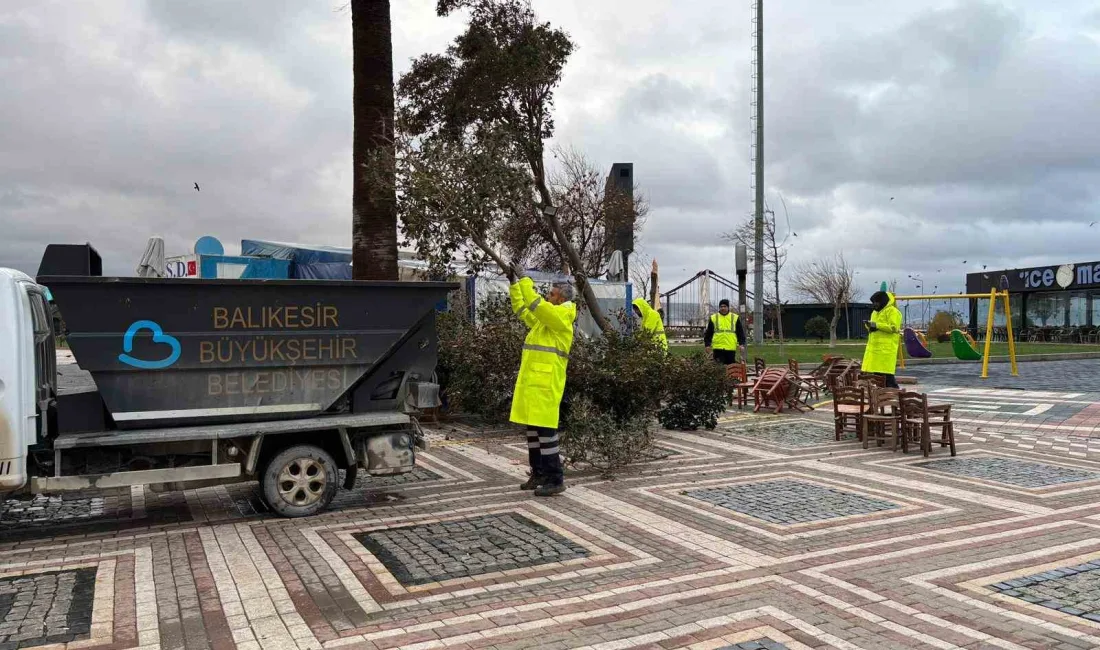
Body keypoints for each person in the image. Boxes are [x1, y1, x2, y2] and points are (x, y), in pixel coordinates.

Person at [507, 263, 577, 497]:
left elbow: (537, 306)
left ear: (561, 298)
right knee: (534, 433)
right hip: (534, 385)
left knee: (547, 434)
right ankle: (538, 473)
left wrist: (525, 280)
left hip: (546, 386)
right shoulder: (545, 322)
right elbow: (522, 309)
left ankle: (555, 478)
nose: (547, 297)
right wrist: (514, 284)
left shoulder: (562, 316)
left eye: (551, 294)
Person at [862, 290, 902, 388]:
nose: (874, 305)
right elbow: (873, 326)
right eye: (873, 303)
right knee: (877, 376)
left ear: (883, 301)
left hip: (886, 350)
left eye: (876, 302)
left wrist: (876, 325)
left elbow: (894, 327)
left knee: (887, 376)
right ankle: (883, 396)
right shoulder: (874, 313)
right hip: (875, 349)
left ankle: (895, 396)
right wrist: (869, 326)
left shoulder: (893, 311)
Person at [704, 299, 747, 364]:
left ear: (728, 307)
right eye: (721, 306)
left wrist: (741, 344)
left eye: (725, 306)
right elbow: (709, 333)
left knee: (730, 368)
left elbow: (740, 332)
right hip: (718, 348)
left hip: (730, 347)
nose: (723, 308)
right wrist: (707, 345)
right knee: (719, 369)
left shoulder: (734, 317)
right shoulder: (714, 317)